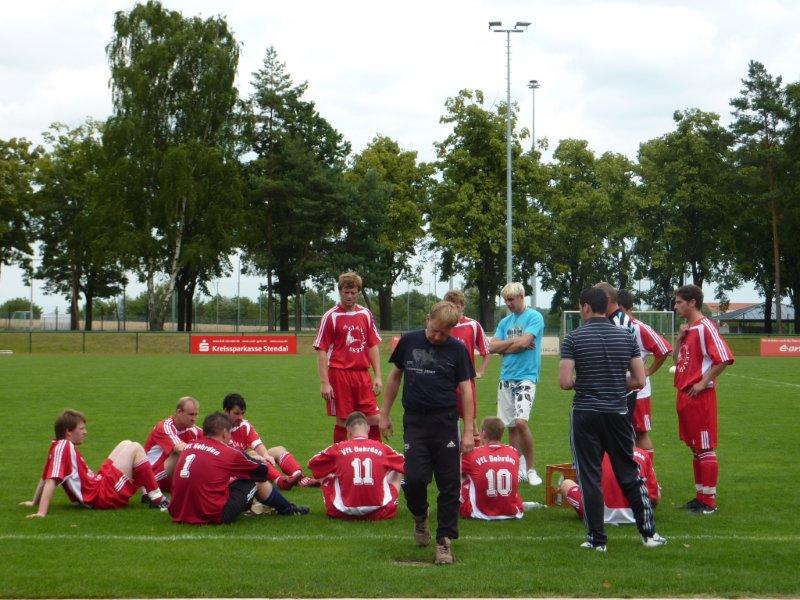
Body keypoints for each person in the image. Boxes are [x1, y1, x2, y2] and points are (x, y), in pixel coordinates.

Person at [559, 287, 666, 551]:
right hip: (617, 412)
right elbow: (639, 380)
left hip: (585, 413)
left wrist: (586, 381)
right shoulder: (626, 336)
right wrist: (617, 383)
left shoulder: (573, 338)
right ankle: (649, 534)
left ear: (585, 307)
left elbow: (565, 382)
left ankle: (597, 539)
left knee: (589, 476)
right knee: (629, 472)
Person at [380, 300, 475, 565]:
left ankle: (444, 541)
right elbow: (395, 377)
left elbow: (466, 390)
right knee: (414, 479)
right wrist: (384, 414)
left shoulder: (457, 350)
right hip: (415, 422)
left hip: (445, 423)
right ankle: (420, 516)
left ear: (452, 330)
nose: (437, 337)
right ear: (427, 320)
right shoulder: (409, 341)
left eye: (444, 333)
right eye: (434, 330)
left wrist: (468, 430)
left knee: (449, 484)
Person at [23, 410, 168, 518]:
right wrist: (41, 512)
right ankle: (157, 498)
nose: (85, 432)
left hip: (98, 484)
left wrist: (34, 502)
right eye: (81, 429)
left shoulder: (57, 445)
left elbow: (44, 477)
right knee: (135, 447)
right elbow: (50, 480)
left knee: (126, 443)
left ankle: (148, 494)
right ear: (68, 432)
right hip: (102, 496)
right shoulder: (64, 446)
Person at [169, 412, 309, 525]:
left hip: (178, 512)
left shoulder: (189, 446)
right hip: (212, 514)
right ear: (225, 433)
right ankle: (288, 509)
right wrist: (254, 459)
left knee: (231, 479)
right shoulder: (228, 452)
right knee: (256, 480)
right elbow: (262, 472)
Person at [672, 284, 734, 515]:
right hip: (685, 395)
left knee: (705, 447)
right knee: (696, 448)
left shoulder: (705, 327)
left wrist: (703, 381)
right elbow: (678, 360)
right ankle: (700, 497)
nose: (675, 306)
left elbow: (724, 357)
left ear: (692, 303)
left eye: (679, 302)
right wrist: (679, 339)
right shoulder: (690, 329)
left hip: (700, 397)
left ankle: (708, 502)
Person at [314, 271, 383, 443]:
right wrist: (324, 382)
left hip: (362, 375)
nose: (349, 296)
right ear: (340, 291)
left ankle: (375, 456)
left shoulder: (365, 314)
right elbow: (321, 350)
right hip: (340, 375)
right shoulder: (331, 316)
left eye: (353, 292)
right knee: (344, 421)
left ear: (358, 292)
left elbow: (372, 345)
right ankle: (340, 457)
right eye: (346, 292)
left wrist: (378, 376)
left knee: (374, 418)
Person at [489, 282, 545, 486]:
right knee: (511, 426)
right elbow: (491, 347)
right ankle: (517, 469)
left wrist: (505, 347)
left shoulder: (534, 317)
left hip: (526, 377)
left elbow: (524, 343)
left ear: (521, 297)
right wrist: (514, 344)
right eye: (506, 300)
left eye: (511, 299)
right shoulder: (505, 322)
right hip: (506, 377)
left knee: (521, 422)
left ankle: (531, 469)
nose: (508, 303)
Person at [308, 411, 405, 520]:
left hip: (341, 512)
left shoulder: (338, 448)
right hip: (381, 512)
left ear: (348, 430)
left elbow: (312, 464)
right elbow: (405, 464)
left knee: (326, 474)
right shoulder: (382, 447)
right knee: (397, 470)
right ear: (368, 428)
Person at [616, 290, 672, 461]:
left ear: (627, 308)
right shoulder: (611, 326)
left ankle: (647, 472)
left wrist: (649, 371)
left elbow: (664, 349)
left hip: (639, 392)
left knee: (640, 432)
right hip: (616, 390)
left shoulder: (639, 327)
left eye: (619, 309)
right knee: (619, 434)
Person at [222, 393, 315, 489]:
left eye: (242, 413)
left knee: (278, 450)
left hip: (247, 462)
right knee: (255, 457)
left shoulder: (244, 426)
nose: (240, 417)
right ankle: (281, 482)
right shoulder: (218, 430)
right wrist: (254, 457)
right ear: (226, 411)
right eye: (236, 414)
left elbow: (257, 444)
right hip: (233, 469)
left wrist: (266, 455)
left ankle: (300, 478)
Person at [460, 417, 541, 520]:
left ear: (484, 433)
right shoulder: (513, 452)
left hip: (480, 513)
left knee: (462, 475)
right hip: (512, 512)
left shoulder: (473, 454)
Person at [561, 446, 660, 525]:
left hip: (599, 516)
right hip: (638, 516)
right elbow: (654, 498)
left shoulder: (594, 453)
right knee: (655, 490)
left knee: (566, 483)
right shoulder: (643, 454)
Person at [443, 289, 491, 447]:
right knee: (447, 419)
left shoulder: (472, 325)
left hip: (466, 381)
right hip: (445, 381)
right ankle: (452, 452)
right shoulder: (442, 325)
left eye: (456, 306)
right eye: (450, 306)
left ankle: (477, 454)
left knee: (471, 420)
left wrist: (480, 371)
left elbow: (486, 351)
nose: (454, 310)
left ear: (462, 306)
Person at [595, 282, 638, 420]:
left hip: (618, 391)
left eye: (596, 298)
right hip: (614, 390)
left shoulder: (620, 323)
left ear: (607, 299)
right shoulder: (612, 320)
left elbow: (619, 358)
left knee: (618, 431)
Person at [143, 396, 202, 494]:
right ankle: (149, 490)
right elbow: (180, 448)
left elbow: (212, 440)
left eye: (196, 414)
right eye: (191, 415)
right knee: (180, 455)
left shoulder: (192, 429)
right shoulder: (164, 427)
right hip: (152, 477)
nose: (194, 419)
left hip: (167, 475)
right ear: (179, 412)